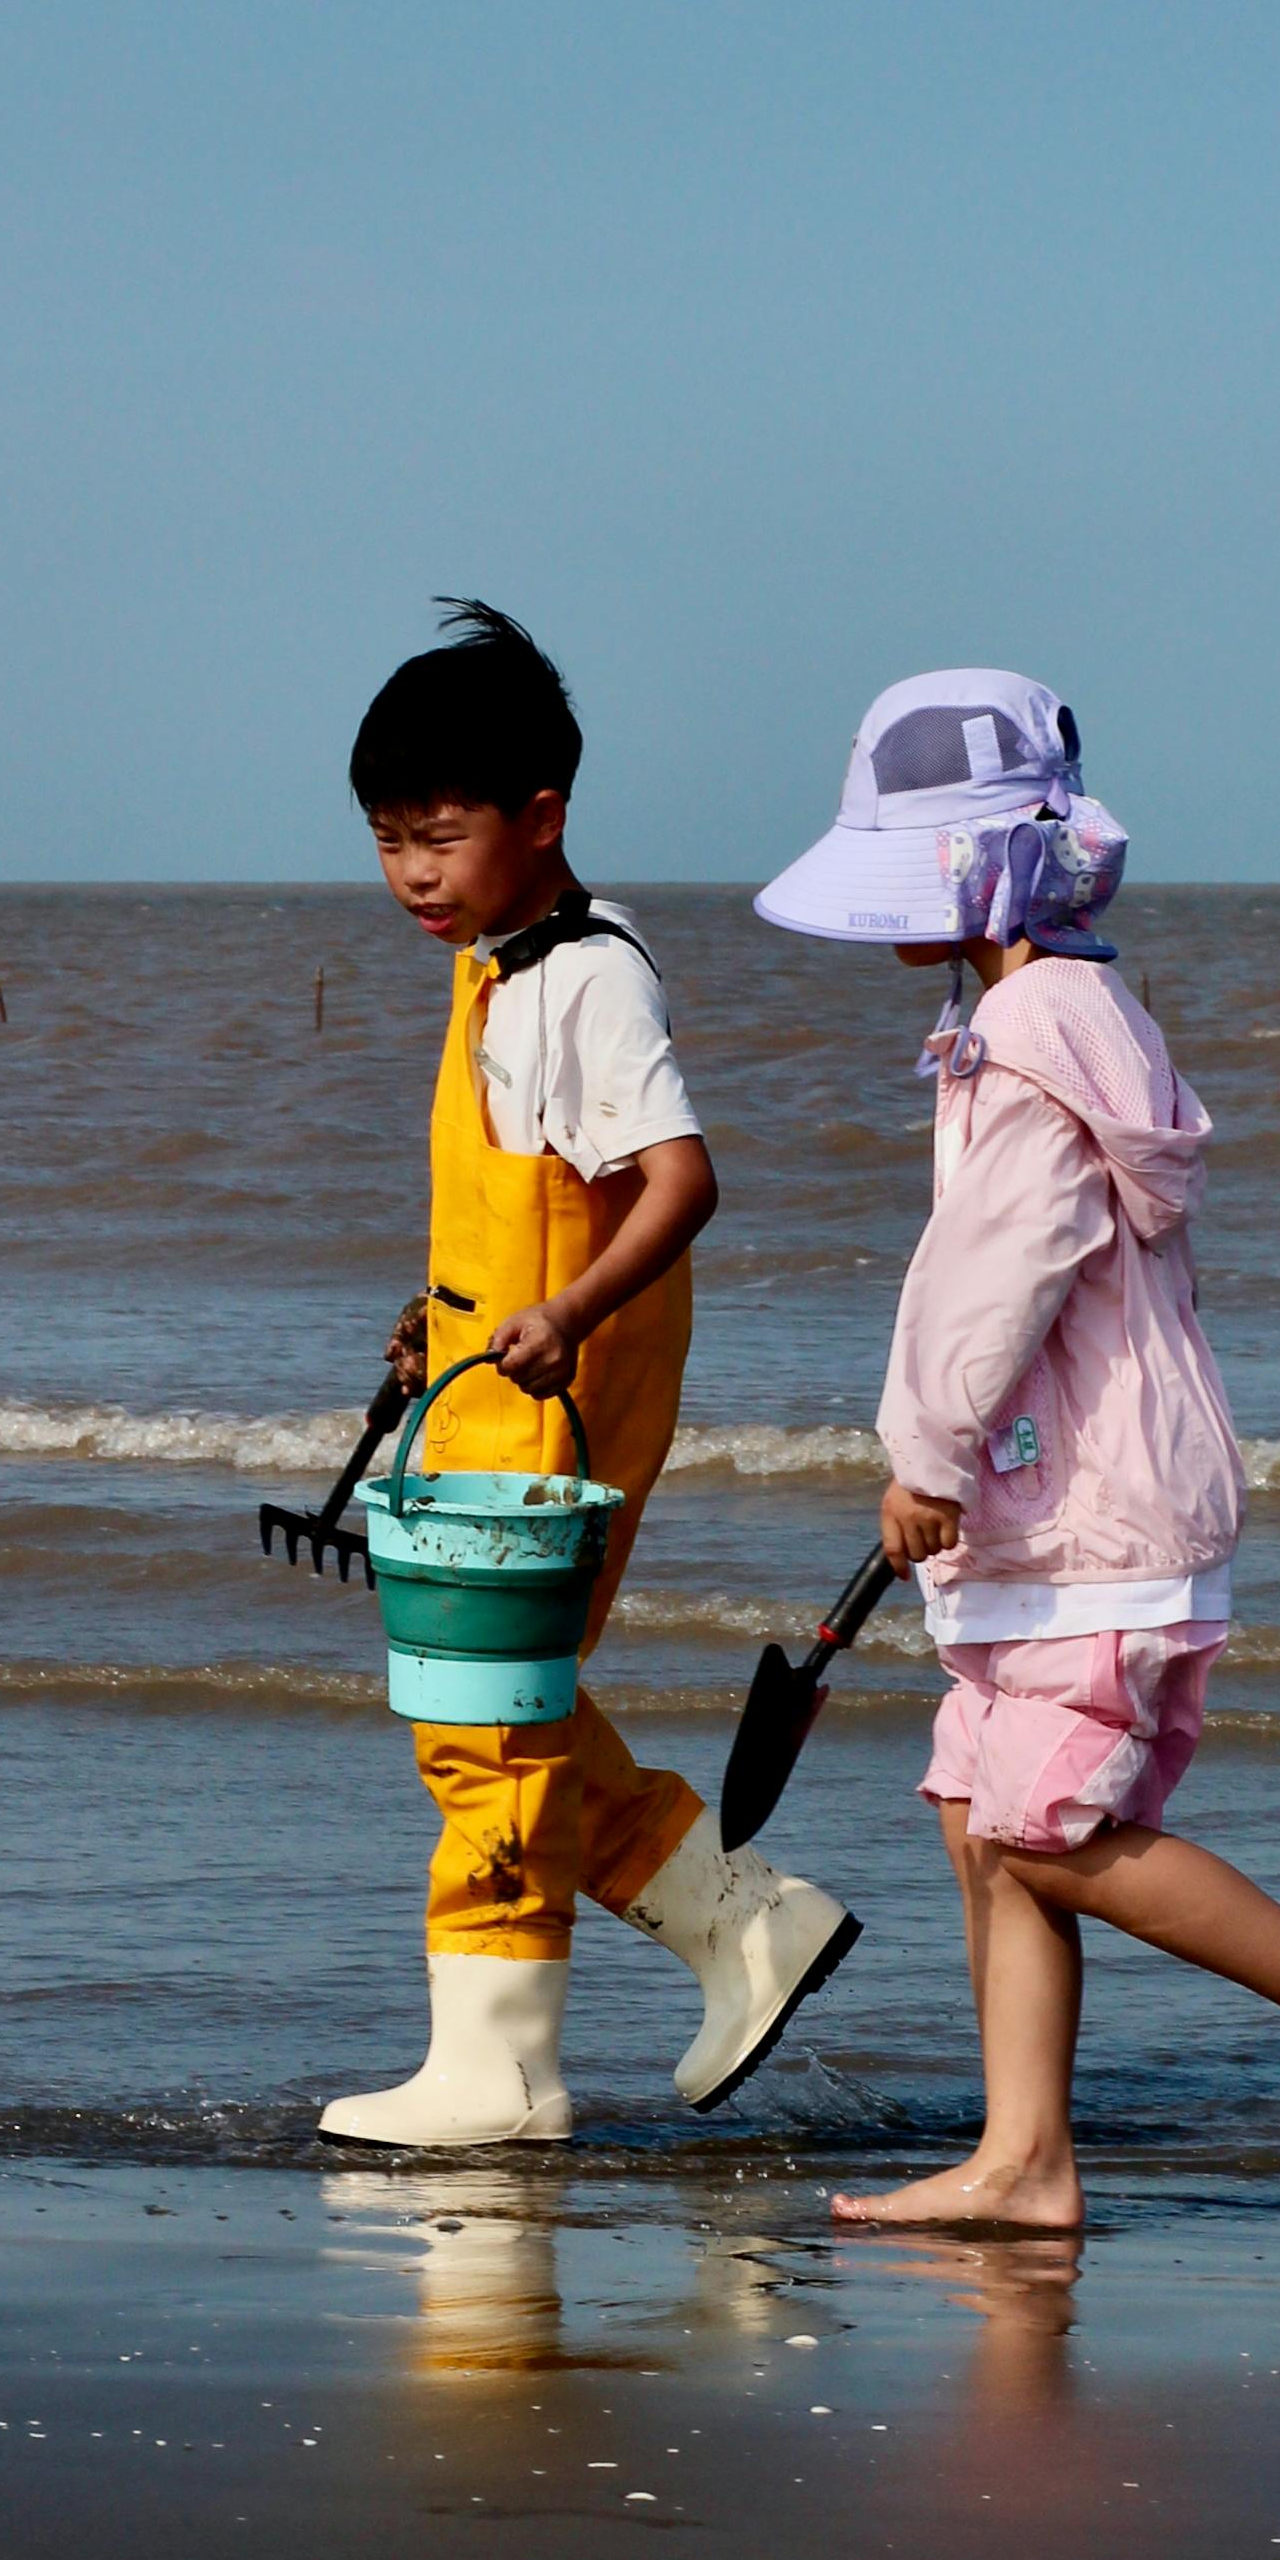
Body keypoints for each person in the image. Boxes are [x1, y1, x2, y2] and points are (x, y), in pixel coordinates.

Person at [752, 668, 1280, 2219]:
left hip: (1090, 1510)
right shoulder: (1035, 1008)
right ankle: (1021, 2157)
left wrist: (923, 1449)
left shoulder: (1029, 1027)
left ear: (982, 868)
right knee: (976, 1821)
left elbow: (997, 1264)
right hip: (1042, 1503)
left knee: (1050, 1831)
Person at [320, 604, 861, 2150]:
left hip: (563, 1395)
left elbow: (679, 1181)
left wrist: (559, 1310)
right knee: (484, 1698)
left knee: (482, 1723)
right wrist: (445, 1308)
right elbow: (531, 1189)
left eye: (437, 833)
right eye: (383, 839)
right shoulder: (495, 964)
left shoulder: (583, 976)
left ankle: (498, 2069)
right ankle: (731, 1920)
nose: (410, 872)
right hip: (490, 1378)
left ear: (539, 815)